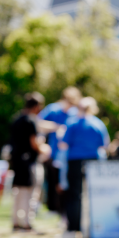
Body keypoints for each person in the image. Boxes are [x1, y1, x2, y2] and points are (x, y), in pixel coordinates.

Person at [60, 97, 109, 235]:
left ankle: (74, 227)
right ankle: (94, 225)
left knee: (74, 194)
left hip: (75, 161)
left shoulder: (72, 123)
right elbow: (105, 145)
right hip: (93, 161)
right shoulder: (98, 124)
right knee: (94, 194)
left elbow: (63, 144)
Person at [9, 92, 50, 231]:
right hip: (29, 162)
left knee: (18, 192)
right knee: (30, 193)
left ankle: (16, 221)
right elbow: (34, 143)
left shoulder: (16, 119)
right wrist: (44, 149)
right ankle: (26, 222)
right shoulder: (31, 120)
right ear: (37, 106)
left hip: (16, 161)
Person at [39, 86, 81, 214]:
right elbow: (38, 123)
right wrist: (57, 127)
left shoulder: (75, 112)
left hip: (70, 155)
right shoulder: (53, 109)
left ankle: (66, 212)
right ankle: (53, 209)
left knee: (68, 185)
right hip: (54, 153)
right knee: (53, 183)